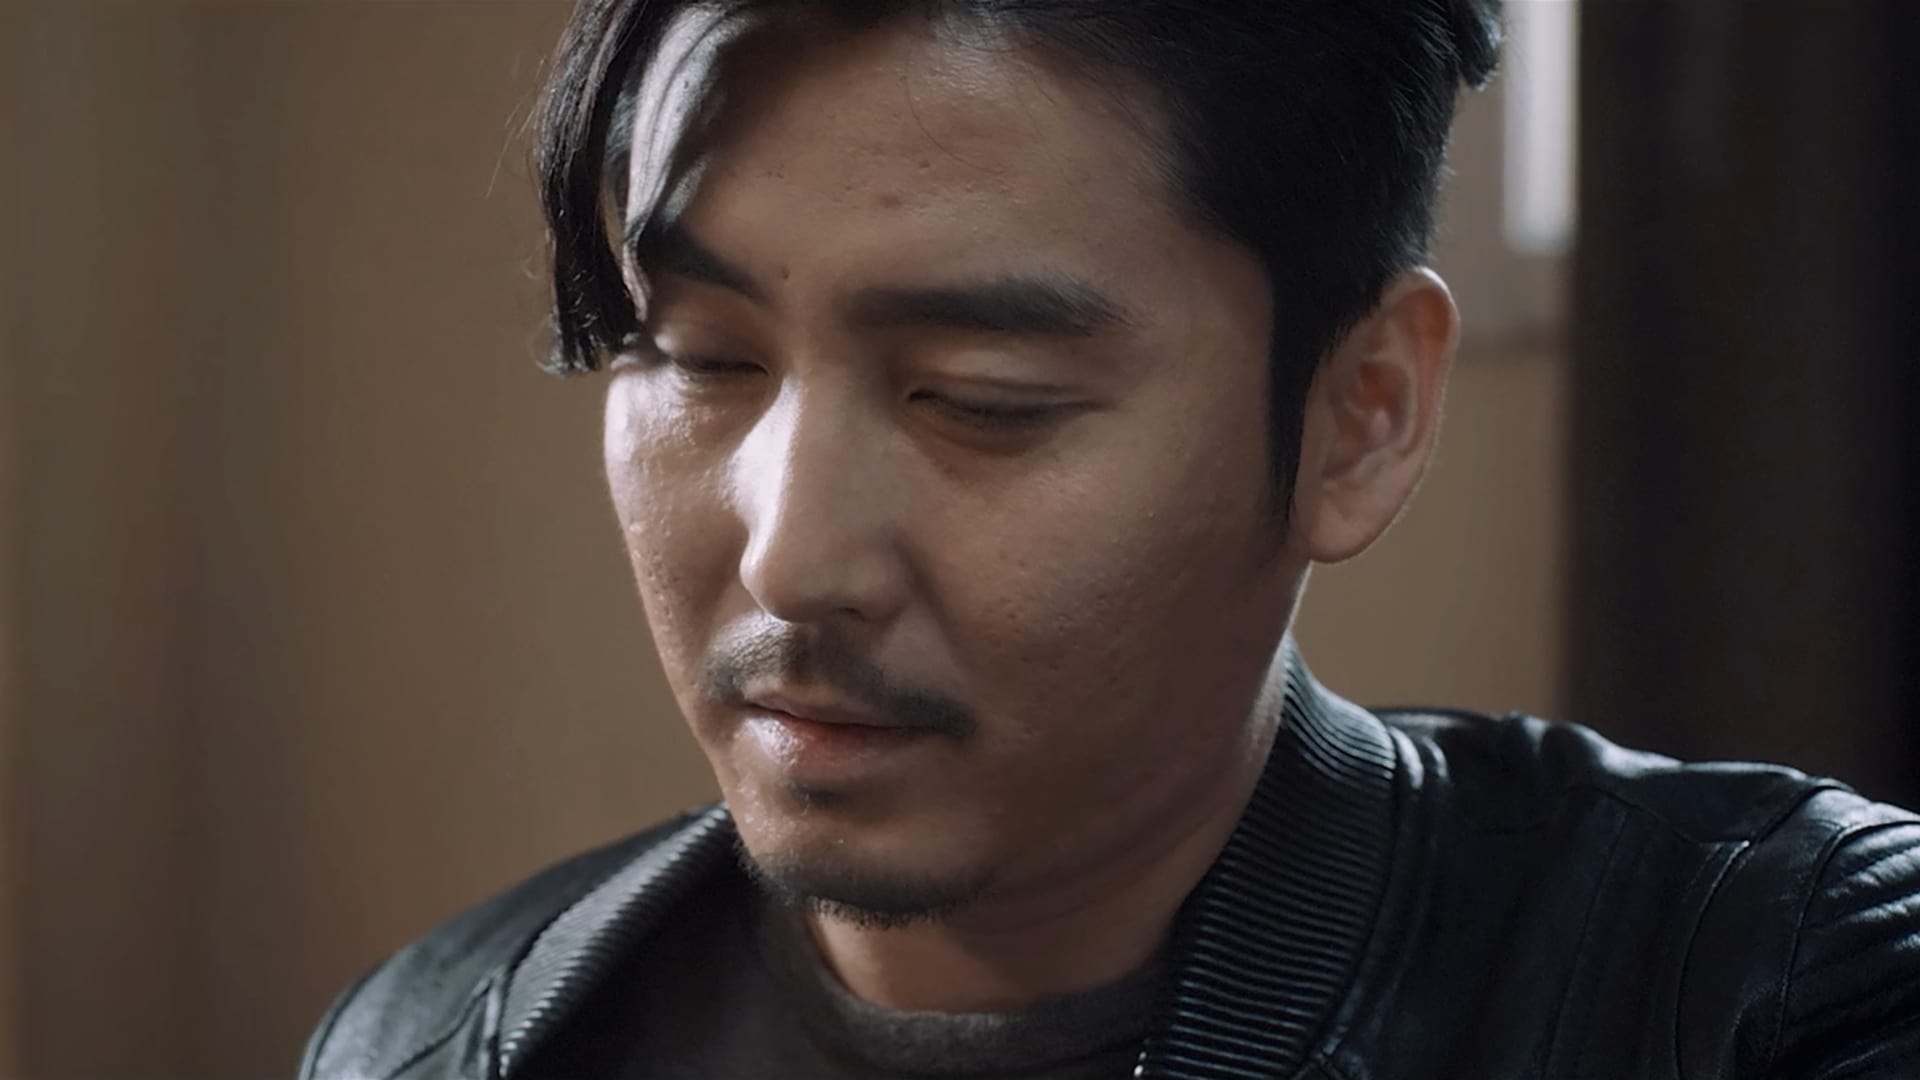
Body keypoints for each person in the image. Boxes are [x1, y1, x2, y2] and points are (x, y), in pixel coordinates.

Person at [300, 2, 1920, 1077]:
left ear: (1360, 415)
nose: (792, 561)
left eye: (981, 398)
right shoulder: (436, 1038)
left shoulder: (1777, 985)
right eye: (699, 358)